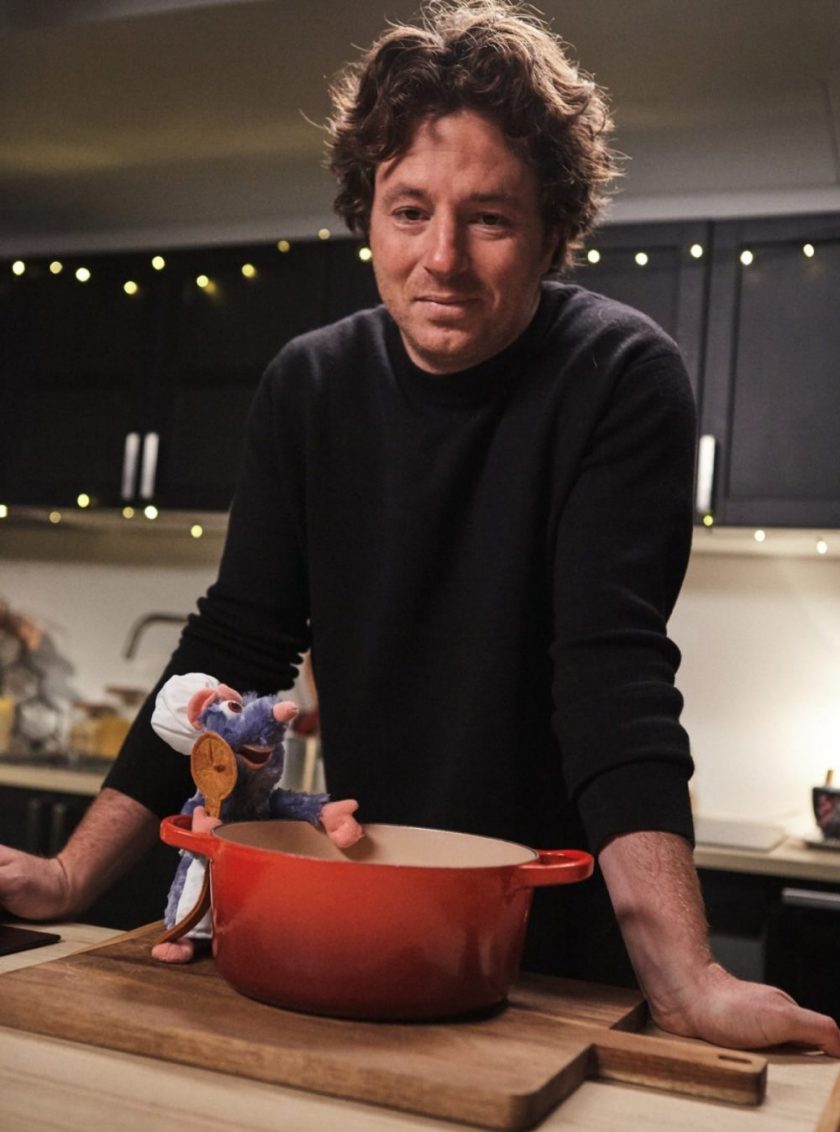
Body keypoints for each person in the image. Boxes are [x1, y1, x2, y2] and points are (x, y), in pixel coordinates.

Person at [2, 0, 838, 1054]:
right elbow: (234, 645)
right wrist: (71, 874)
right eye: (408, 211)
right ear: (367, 216)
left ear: (553, 231)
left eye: (489, 217)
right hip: (366, 900)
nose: (441, 257)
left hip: (550, 935)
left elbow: (610, 673)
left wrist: (686, 978)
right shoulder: (310, 385)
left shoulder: (620, 375)